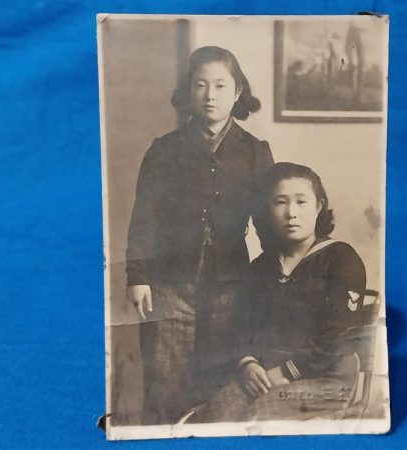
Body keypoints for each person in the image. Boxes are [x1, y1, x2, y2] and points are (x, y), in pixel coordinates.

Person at [125, 46, 274, 425]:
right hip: (169, 280)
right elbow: (144, 217)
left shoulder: (256, 152)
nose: (210, 95)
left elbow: (266, 221)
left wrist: (275, 271)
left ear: (238, 91)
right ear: (188, 91)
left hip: (231, 283)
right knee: (166, 376)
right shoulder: (164, 150)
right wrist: (138, 277)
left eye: (221, 86)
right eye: (201, 85)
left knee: (220, 374)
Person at [194, 162, 368, 423]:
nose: (291, 213)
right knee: (218, 414)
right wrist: (247, 363)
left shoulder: (341, 258)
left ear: (319, 206)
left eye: (301, 202)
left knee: (261, 415)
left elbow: (339, 334)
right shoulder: (261, 266)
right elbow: (241, 325)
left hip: (328, 378)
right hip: (264, 374)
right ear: (268, 209)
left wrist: (287, 372)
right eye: (280, 202)